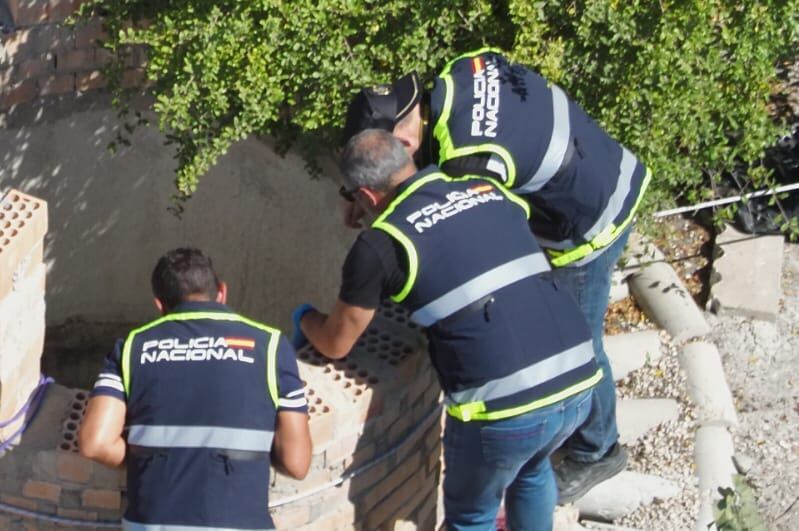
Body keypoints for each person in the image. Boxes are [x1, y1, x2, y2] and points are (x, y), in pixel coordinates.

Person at [342, 49, 646, 502]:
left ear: (401, 146)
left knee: (580, 341)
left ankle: (597, 450)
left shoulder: (472, 160)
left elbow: (489, 233)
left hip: (588, 222)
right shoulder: (459, 71)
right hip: (613, 164)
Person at [299, 129, 600, 531]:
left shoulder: (381, 245)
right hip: (579, 377)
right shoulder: (484, 187)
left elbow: (337, 342)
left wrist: (304, 317)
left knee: (471, 516)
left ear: (366, 197)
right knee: (532, 469)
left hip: (505, 409)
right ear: (408, 155)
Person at [78, 247, 311, 530]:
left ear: (160, 305)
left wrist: (149, 458)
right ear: (222, 292)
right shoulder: (272, 346)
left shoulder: (131, 347)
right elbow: (297, 463)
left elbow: (95, 443)